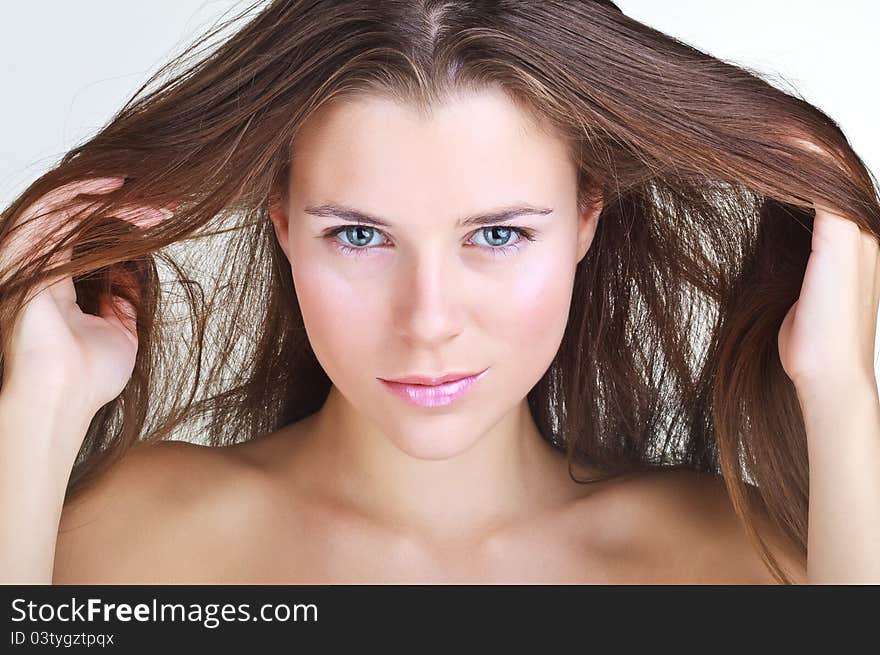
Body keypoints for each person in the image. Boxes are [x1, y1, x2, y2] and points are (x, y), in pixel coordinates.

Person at [1, 0, 876, 585]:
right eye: (359, 234)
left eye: (497, 235)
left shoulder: (735, 562)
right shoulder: (124, 540)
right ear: (280, 219)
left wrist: (840, 384)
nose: (428, 322)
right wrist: (38, 404)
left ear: (585, 217)